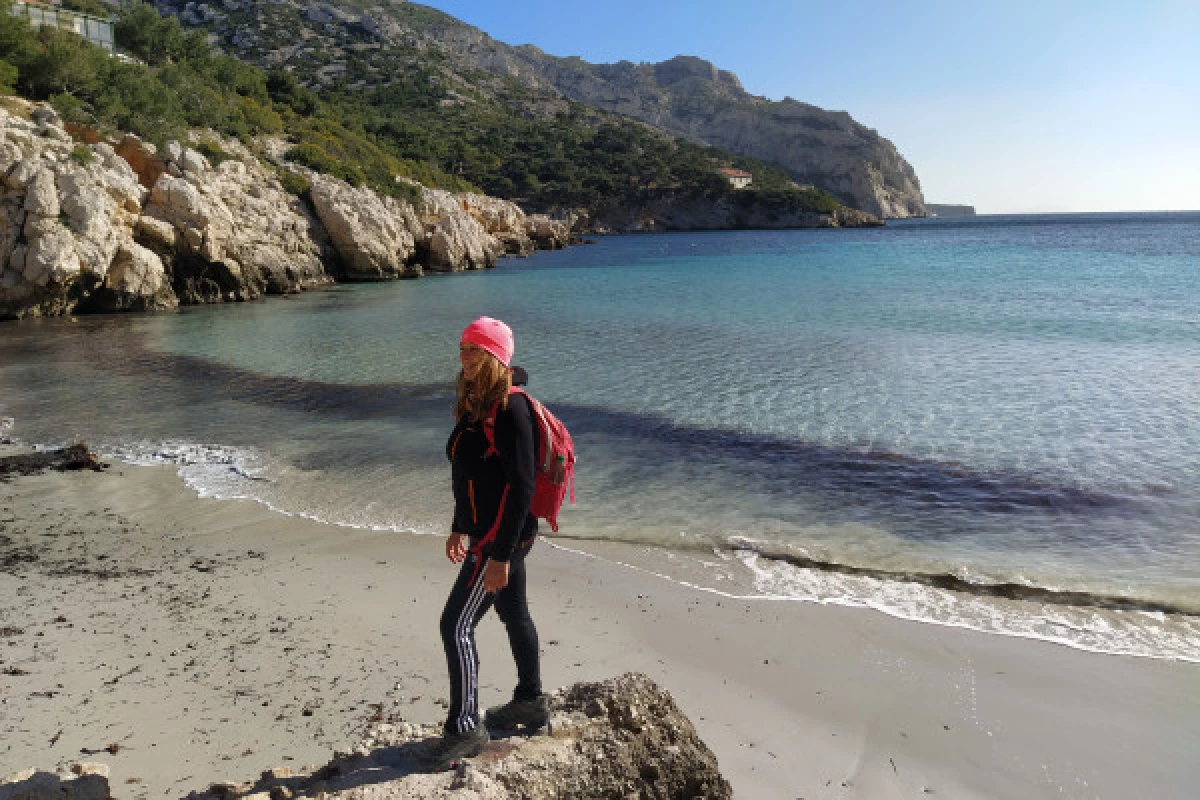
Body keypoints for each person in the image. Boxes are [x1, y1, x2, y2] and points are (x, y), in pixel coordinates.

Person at [421, 316, 549, 772]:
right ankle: (530, 703)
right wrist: (459, 523)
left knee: (454, 626)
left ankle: (465, 727)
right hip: (488, 534)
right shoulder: (477, 402)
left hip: (502, 538)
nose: (464, 357)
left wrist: (498, 556)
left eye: (474, 349)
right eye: (462, 348)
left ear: (496, 355)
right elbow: (470, 473)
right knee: (513, 612)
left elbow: (521, 486)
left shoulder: (512, 409)